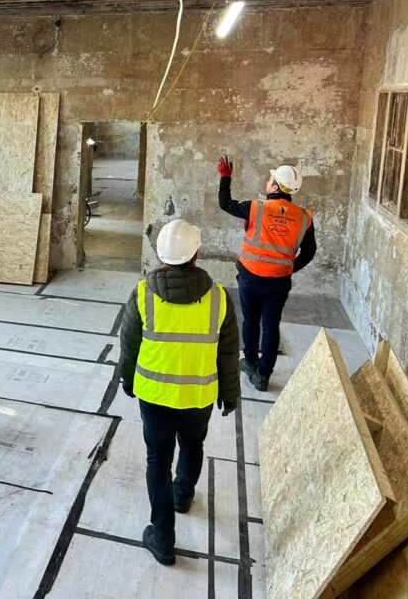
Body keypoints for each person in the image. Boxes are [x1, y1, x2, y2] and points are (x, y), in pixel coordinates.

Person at [119, 219, 240, 566]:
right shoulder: (218, 297)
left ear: (159, 255)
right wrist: (229, 393)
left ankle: (163, 538)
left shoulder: (142, 293)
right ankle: (182, 494)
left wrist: (127, 379)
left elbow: (128, 346)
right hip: (197, 395)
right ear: (197, 254)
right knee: (192, 444)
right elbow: (229, 352)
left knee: (157, 460)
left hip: (154, 396)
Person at [218, 157, 316, 392]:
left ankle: (250, 363)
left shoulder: (256, 208)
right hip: (279, 283)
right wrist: (290, 268)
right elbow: (310, 251)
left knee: (251, 321)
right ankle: (263, 375)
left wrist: (225, 176)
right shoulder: (304, 217)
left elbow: (225, 203)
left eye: (270, 178)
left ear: (275, 187)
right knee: (271, 326)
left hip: (250, 278)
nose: (267, 180)